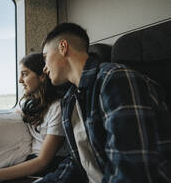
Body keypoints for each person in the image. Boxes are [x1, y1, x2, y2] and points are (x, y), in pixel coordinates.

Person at [37, 23, 171, 183]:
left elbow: (132, 171)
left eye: (45, 57)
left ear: (63, 47)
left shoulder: (116, 80)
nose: (44, 68)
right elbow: (80, 163)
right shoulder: (69, 100)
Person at [0, 53, 68, 183]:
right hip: (30, 160)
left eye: (25, 74)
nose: (20, 80)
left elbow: (43, 161)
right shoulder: (29, 104)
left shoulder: (57, 108)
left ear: (42, 76)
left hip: (48, 166)